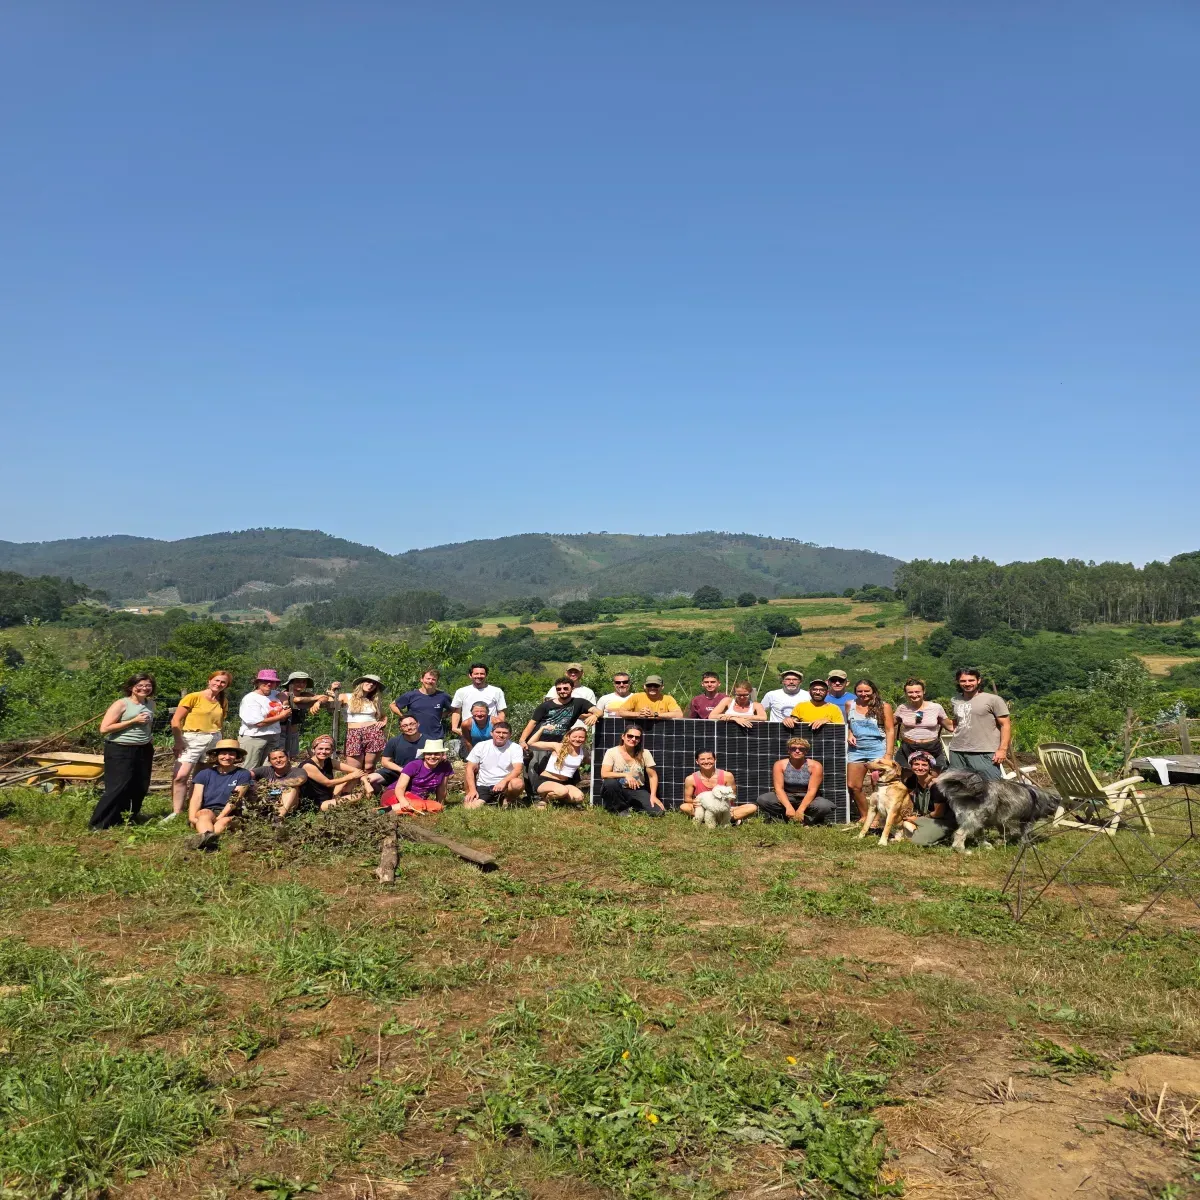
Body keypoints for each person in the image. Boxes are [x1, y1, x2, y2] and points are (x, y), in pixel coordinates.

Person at [90, 672, 157, 829]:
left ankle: (127, 817)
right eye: (139, 685)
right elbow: (104, 728)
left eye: (148, 685)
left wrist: (149, 737)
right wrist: (133, 721)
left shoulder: (151, 704)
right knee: (118, 786)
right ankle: (99, 823)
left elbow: (147, 725)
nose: (144, 688)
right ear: (131, 687)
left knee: (140, 786)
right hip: (121, 749)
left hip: (144, 748)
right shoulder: (122, 704)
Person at [167, 669, 233, 822]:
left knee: (202, 777)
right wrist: (178, 741)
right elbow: (176, 720)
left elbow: (219, 723)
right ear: (209, 681)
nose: (219, 684)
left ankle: (194, 807)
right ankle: (176, 811)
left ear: (226, 685)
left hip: (213, 739)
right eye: (216, 680)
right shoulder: (193, 697)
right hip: (192, 738)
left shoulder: (222, 701)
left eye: (223, 682)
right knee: (181, 775)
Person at [188, 739, 253, 851]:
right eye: (223, 753)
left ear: (237, 756)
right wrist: (192, 818)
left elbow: (235, 798)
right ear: (216, 756)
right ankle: (209, 841)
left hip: (230, 812)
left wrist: (220, 817)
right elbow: (196, 798)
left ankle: (205, 840)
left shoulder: (243, 774)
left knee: (223, 822)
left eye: (231, 754)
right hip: (207, 811)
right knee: (205, 814)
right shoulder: (204, 774)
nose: (227, 757)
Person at [947, 669, 1011, 780]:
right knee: (959, 788)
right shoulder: (955, 700)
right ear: (958, 682)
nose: (967, 684)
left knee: (990, 787)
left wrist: (1002, 749)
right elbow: (958, 723)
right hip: (957, 751)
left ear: (979, 680)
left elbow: (1005, 725)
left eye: (971, 680)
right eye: (963, 681)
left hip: (984, 751)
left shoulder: (993, 699)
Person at [846, 679, 895, 822]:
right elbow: (849, 723)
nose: (863, 694)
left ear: (873, 691)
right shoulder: (850, 705)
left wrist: (888, 754)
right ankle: (865, 815)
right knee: (853, 785)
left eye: (866, 691)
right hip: (857, 749)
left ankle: (878, 818)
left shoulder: (884, 706)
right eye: (859, 691)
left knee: (878, 784)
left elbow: (890, 730)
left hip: (877, 748)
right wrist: (850, 733)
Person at [755, 738, 833, 824]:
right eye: (793, 748)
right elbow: (779, 789)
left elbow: (812, 790)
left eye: (801, 749)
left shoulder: (815, 766)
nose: (797, 751)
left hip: (807, 796)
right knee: (763, 799)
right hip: (787, 795)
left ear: (806, 751)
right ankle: (786, 819)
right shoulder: (779, 765)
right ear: (788, 750)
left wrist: (801, 809)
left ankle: (806, 821)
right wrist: (788, 807)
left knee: (825, 806)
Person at [599, 725, 664, 816]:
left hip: (636, 790)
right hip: (617, 789)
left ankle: (629, 806)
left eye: (637, 737)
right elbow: (604, 774)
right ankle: (621, 809)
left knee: (657, 812)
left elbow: (652, 776)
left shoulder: (645, 753)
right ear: (623, 736)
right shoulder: (611, 752)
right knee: (610, 783)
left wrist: (653, 795)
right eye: (630, 736)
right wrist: (625, 775)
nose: (633, 739)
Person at [893, 678, 953, 773]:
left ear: (924, 691)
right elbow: (889, 724)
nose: (914, 695)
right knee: (905, 777)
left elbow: (950, 726)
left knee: (938, 776)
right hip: (908, 747)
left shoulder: (936, 707)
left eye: (917, 691)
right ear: (906, 693)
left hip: (932, 747)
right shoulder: (902, 708)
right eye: (910, 692)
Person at [680, 749, 757, 822]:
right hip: (704, 808)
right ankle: (725, 820)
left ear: (715, 759)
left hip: (724, 808)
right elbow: (687, 799)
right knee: (684, 807)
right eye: (702, 759)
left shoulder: (727, 775)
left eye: (709, 758)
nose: (706, 762)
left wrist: (719, 805)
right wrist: (696, 802)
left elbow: (732, 796)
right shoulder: (690, 779)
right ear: (697, 761)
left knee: (752, 807)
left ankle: (713, 820)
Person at [520, 678, 600, 746]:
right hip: (539, 743)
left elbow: (599, 711)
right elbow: (532, 723)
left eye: (565, 688)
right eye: (559, 689)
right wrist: (522, 741)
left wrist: (595, 715)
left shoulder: (580, 703)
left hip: (560, 744)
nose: (562, 691)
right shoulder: (545, 705)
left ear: (572, 689)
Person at [238, 669, 292, 771]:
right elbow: (259, 723)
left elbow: (287, 697)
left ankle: (264, 786)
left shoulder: (275, 694)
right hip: (254, 737)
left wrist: (285, 702)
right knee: (251, 767)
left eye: (272, 682)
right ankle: (247, 786)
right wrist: (282, 716)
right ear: (257, 682)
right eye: (264, 681)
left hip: (273, 736)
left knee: (268, 768)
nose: (268, 684)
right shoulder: (250, 698)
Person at [528, 722, 591, 807]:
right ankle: (544, 800)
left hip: (564, 783)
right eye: (574, 736)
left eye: (581, 737)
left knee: (579, 798)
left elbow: (592, 762)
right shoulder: (558, 746)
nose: (577, 739)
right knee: (562, 791)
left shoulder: (584, 752)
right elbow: (531, 743)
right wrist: (542, 729)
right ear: (568, 737)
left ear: (585, 738)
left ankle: (556, 800)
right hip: (546, 780)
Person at [298, 733, 368, 811]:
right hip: (317, 803)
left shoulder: (329, 761)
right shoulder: (308, 765)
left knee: (353, 776)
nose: (323, 752)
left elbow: (357, 771)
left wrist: (367, 784)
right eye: (320, 749)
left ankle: (345, 795)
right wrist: (350, 777)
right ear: (314, 750)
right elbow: (328, 783)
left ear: (332, 751)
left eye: (327, 749)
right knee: (359, 796)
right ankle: (345, 800)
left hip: (328, 795)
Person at [464, 722, 527, 808]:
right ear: (491, 733)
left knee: (518, 783)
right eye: (498, 732)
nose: (501, 735)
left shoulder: (515, 748)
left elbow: (517, 769)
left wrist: (503, 782)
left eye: (505, 733)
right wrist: (472, 790)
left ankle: (508, 799)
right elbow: (469, 768)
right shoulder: (481, 746)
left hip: (505, 785)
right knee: (469, 808)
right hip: (484, 785)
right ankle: (489, 800)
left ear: (510, 735)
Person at [382, 739, 453, 814]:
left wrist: (441, 805)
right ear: (424, 754)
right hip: (396, 794)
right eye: (429, 754)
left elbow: (442, 788)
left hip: (417, 799)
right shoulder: (414, 765)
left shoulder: (445, 766)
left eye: (436, 754)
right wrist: (403, 801)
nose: (432, 756)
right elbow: (400, 787)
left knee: (435, 806)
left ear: (442, 754)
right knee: (421, 805)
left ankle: (399, 810)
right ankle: (384, 810)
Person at [279, 671, 337, 759]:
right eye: (297, 681)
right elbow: (296, 700)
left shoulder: (305, 695)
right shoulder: (284, 694)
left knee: (291, 757)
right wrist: (314, 698)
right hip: (281, 732)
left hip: (294, 732)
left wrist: (318, 702)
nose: (301, 684)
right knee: (280, 756)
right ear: (291, 683)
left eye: (304, 682)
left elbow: (325, 698)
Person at [338, 675, 388, 774]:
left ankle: (366, 787)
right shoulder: (346, 696)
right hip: (353, 733)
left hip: (373, 732)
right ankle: (351, 788)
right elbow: (331, 702)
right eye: (368, 682)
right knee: (353, 769)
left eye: (374, 684)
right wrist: (331, 691)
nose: (371, 685)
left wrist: (383, 722)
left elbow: (383, 715)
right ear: (361, 683)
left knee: (369, 767)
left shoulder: (374, 700)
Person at [905, 750, 956, 846]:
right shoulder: (912, 780)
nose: (920, 768)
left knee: (919, 841)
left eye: (924, 765)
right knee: (906, 822)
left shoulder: (936, 786)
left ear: (930, 768)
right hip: (926, 818)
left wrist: (917, 819)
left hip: (942, 821)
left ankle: (947, 836)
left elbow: (938, 813)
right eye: (916, 764)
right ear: (911, 766)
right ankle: (924, 831)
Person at [366, 715, 427, 794]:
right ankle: (381, 795)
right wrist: (403, 771)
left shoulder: (428, 741)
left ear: (418, 724)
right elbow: (385, 762)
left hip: (419, 774)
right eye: (405, 726)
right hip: (397, 771)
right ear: (400, 728)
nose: (409, 728)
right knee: (370, 779)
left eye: (412, 724)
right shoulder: (394, 741)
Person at [391, 669, 453, 740]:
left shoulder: (443, 696)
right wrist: (404, 717)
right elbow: (393, 705)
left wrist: (442, 715)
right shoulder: (411, 695)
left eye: (433, 679)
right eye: (428, 678)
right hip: (413, 736)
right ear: (421, 679)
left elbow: (454, 709)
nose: (430, 681)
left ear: (437, 681)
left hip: (435, 736)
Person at [450, 664, 508, 736]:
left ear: (486, 675)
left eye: (482, 674)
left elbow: (501, 712)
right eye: (476, 674)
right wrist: (454, 728)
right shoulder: (461, 691)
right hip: (468, 731)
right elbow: (456, 711)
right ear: (470, 675)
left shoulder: (496, 691)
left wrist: (499, 729)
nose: (479, 676)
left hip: (490, 733)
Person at [252, 747, 309, 817]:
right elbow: (247, 775)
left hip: (288, 804)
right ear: (270, 761)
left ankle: (278, 818)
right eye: (274, 758)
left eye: (281, 757)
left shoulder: (297, 771)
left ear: (287, 758)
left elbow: (300, 780)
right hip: (267, 803)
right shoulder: (265, 770)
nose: (278, 760)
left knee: (291, 789)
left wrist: (273, 784)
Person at [617, 676, 682, 719]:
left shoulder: (668, 699)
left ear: (662, 687)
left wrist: (655, 714)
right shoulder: (636, 697)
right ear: (645, 686)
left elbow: (679, 715)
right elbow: (620, 712)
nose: (652, 688)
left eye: (656, 685)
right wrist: (639, 714)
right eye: (649, 685)